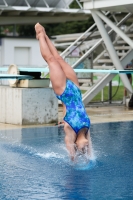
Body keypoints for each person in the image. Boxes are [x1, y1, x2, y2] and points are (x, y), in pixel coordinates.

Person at [35, 23, 92, 162]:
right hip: (76, 89)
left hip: (64, 91)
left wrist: (73, 159)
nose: (86, 146)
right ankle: (46, 36)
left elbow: (70, 150)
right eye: (87, 147)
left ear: (76, 146)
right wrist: (88, 157)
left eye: (83, 148)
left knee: (52, 61)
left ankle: (40, 36)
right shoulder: (87, 129)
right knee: (60, 59)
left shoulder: (70, 129)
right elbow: (90, 154)